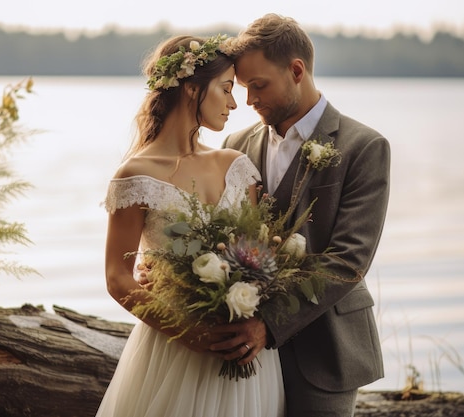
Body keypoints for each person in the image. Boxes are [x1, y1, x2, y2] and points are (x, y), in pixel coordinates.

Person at [211, 13, 391, 416]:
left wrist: (268, 324)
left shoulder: (364, 146)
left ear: (296, 70)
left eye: (259, 85)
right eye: (243, 87)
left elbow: (348, 260)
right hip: (243, 354)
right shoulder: (234, 145)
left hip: (327, 349)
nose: (250, 100)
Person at [96, 34, 285, 417]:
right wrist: (190, 332)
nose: (235, 103)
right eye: (227, 89)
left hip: (246, 352)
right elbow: (118, 277)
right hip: (173, 350)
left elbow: (257, 257)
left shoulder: (236, 165)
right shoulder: (135, 175)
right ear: (191, 88)